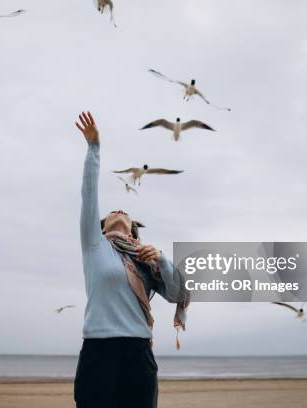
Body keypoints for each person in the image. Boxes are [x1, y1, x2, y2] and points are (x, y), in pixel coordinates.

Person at [73, 111, 188, 408]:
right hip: (99, 352)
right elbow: (88, 194)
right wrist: (94, 147)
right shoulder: (94, 247)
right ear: (102, 227)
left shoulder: (144, 260)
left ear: (134, 229)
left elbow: (177, 294)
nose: (121, 210)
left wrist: (162, 260)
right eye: (114, 210)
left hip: (138, 352)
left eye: (126, 212)